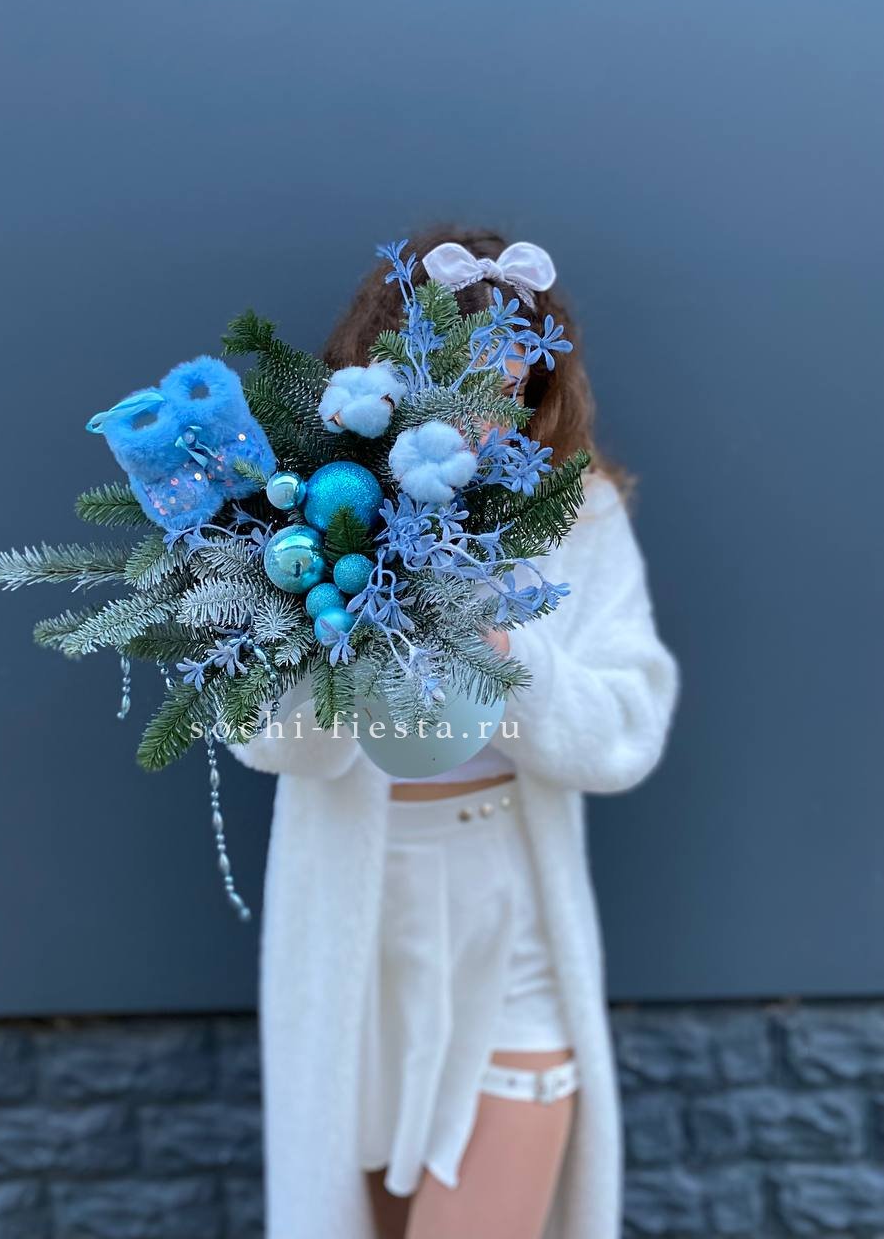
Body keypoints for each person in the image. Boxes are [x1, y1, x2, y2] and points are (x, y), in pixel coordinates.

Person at [227, 225, 679, 1239]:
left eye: (512, 385)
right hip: (356, 920)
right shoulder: (311, 512)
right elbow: (264, 735)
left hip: (508, 914)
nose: (484, 413)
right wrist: (341, 614)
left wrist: (509, 648)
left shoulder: (577, 514)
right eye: (458, 379)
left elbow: (628, 727)